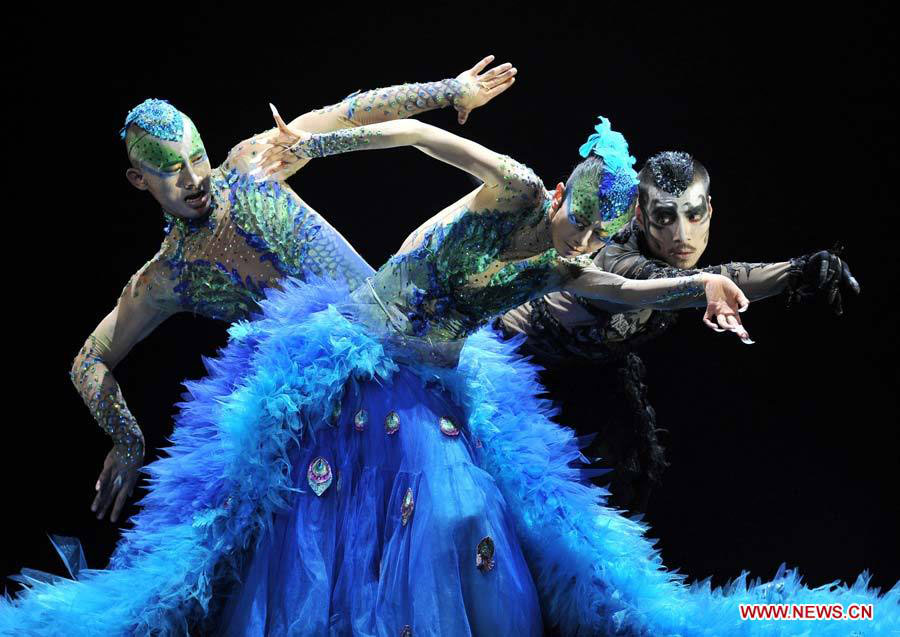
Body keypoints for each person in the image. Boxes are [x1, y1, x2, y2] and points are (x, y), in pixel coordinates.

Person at [4, 115, 893, 634]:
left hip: (439, 384)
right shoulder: (510, 186)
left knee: (536, 539)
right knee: (282, 535)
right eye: (576, 223)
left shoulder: (573, 263)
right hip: (351, 359)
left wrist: (701, 282)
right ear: (558, 198)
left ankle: (811, 623)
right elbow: (415, 136)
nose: (578, 243)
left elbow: (626, 284)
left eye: (593, 234)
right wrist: (327, 141)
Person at [72, 56, 518, 524]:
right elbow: (88, 360)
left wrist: (451, 90)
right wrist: (127, 438)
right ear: (138, 180)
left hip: (403, 347)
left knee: (463, 508)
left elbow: (354, 111)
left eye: (197, 156)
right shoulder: (169, 275)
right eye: (170, 170)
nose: (193, 178)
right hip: (325, 418)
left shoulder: (251, 162)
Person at [497, 149, 860, 512]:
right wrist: (780, 274)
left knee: (627, 475)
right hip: (516, 360)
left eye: (693, 214)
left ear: (709, 211)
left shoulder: (672, 254)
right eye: (665, 217)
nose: (681, 235)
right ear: (640, 216)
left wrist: (801, 269)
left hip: (595, 368)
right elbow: (676, 284)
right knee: (529, 493)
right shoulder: (614, 254)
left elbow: (717, 278)